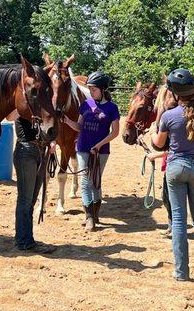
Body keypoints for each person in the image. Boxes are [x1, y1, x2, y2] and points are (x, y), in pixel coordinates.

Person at [151, 68, 194, 281]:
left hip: (176, 168)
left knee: (179, 220)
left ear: (174, 93)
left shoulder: (169, 116)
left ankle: (181, 272)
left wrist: (154, 129)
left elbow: (159, 143)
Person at [63, 71, 120, 232]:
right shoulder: (88, 104)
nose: (91, 91)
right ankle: (89, 218)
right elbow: (79, 127)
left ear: (103, 90)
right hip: (82, 147)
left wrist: (100, 145)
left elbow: (114, 132)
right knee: (85, 181)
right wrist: (67, 121)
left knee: (96, 181)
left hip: (101, 150)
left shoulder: (112, 108)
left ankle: (95, 215)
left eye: (94, 89)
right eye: (90, 89)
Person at [13, 116, 56, 251]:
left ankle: (27, 238)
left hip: (41, 150)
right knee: (26, 199)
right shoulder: (21, 107)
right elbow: (9, 116)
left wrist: (52, 140)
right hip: (27, 150)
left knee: (31, 200)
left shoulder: (41, 108)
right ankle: (24, 241)